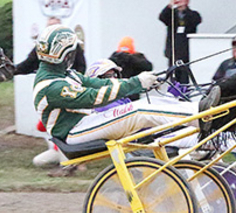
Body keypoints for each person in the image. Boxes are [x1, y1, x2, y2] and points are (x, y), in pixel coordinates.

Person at [32, 25, 221, 146]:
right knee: (137, 111)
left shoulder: (64, 74)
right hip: (74, 132)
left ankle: (199, 110)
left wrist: (142, 82)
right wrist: (136, 82)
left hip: (84, 124)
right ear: (65, 56)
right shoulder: (51, 86)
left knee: (151, 102)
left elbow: (100, 83)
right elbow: (93, 97)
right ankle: (202, 118)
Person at [158, 0, 202, 84]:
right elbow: (162, 17)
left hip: (186, 52)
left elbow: (196, 21)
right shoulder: (171, 14)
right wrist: (171, 5)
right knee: (173, 78)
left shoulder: (193, 14)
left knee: (185, 78)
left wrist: (183, 9)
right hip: (173, 52)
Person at [15, 18, 86, 75]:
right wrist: (12, 70)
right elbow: (28, 65)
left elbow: (81, 67)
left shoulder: (73, 45)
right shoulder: (42, 46)